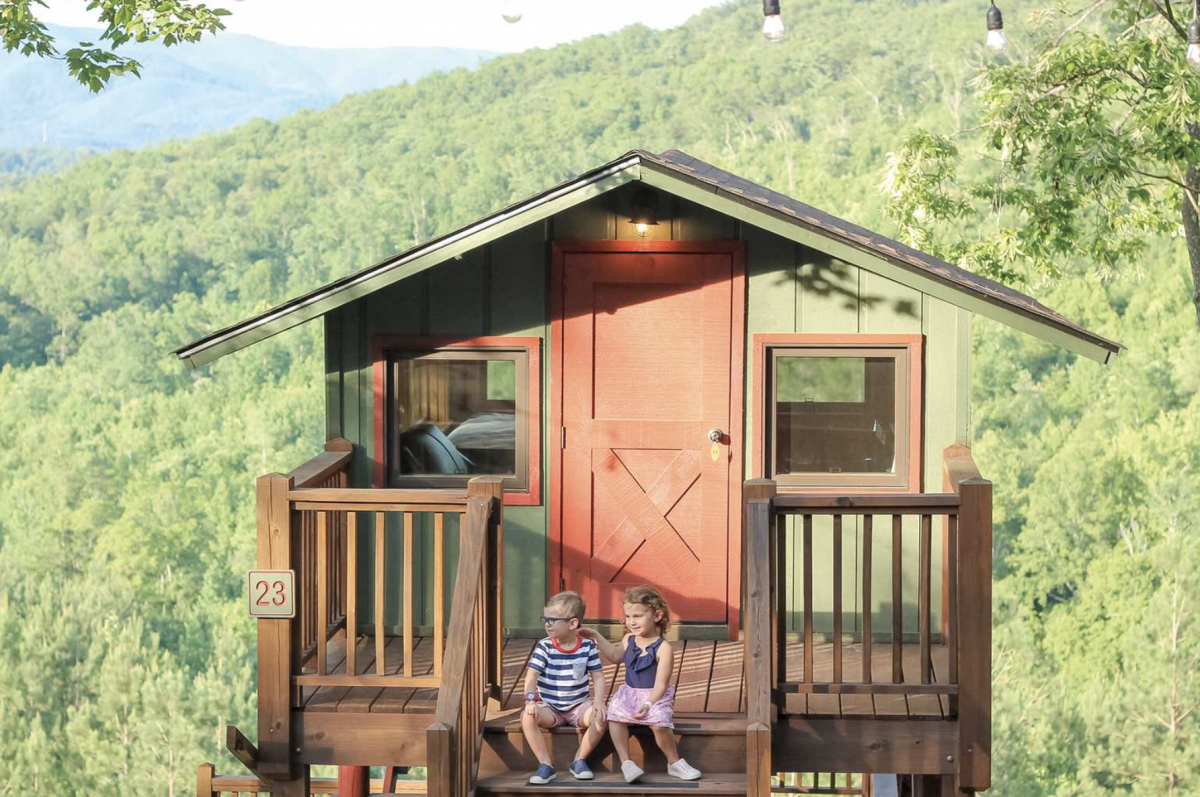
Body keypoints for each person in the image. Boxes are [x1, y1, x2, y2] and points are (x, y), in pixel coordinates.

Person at [578, 586, 702, 782]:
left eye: (637, 615)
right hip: (630, 693)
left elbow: (661, 685)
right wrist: (595, 635)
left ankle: (674, 763)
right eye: (628, 616)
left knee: (659, 723)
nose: (631, 621)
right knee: (615, 716)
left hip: (654, 697)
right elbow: (614, 656)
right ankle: (627, 763)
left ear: (657, 615)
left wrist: (648, 704)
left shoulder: (663, 648)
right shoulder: (629, 639)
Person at [521, 590, 607, 784]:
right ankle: (545, 764)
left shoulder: (587, 647)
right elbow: (532, 675)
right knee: (527, 717)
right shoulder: (545, 646)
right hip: (550, 707)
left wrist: (599, 703)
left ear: (573, 623)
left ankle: (579, 760)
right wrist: (530, 699)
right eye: (545, 619)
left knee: (601, 718)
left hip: (579, 706)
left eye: (552, 620)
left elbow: (599, 677)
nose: (547, 624)